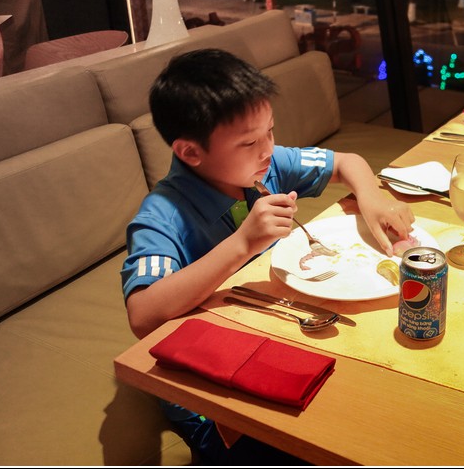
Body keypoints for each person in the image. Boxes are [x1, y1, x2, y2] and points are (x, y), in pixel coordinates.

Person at [121, 48, 415, 464]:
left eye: (270, 132)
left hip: (280, 330)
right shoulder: (162, 216)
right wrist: (242, 243)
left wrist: (373, 199)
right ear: (190, 153)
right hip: (213, 400)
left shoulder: (264, 164)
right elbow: (143, 315)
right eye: (249, 142)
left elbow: (347, 162)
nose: (267, 150)